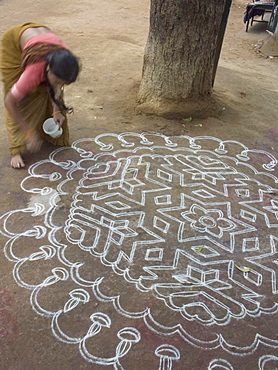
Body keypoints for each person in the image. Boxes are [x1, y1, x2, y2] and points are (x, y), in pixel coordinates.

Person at [0, 22, 81, 169]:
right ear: (48, 69)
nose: (60, 85)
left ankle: (47, 133)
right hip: (14, 41)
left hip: (43, 39)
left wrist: (56, 110)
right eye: (57, 81)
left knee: (47, 88)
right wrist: (28, 131)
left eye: (64, 83)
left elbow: (55, 88)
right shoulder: (34, 72)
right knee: (23, 99)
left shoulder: (66, 62)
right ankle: (16, 150)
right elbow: (9, 102)